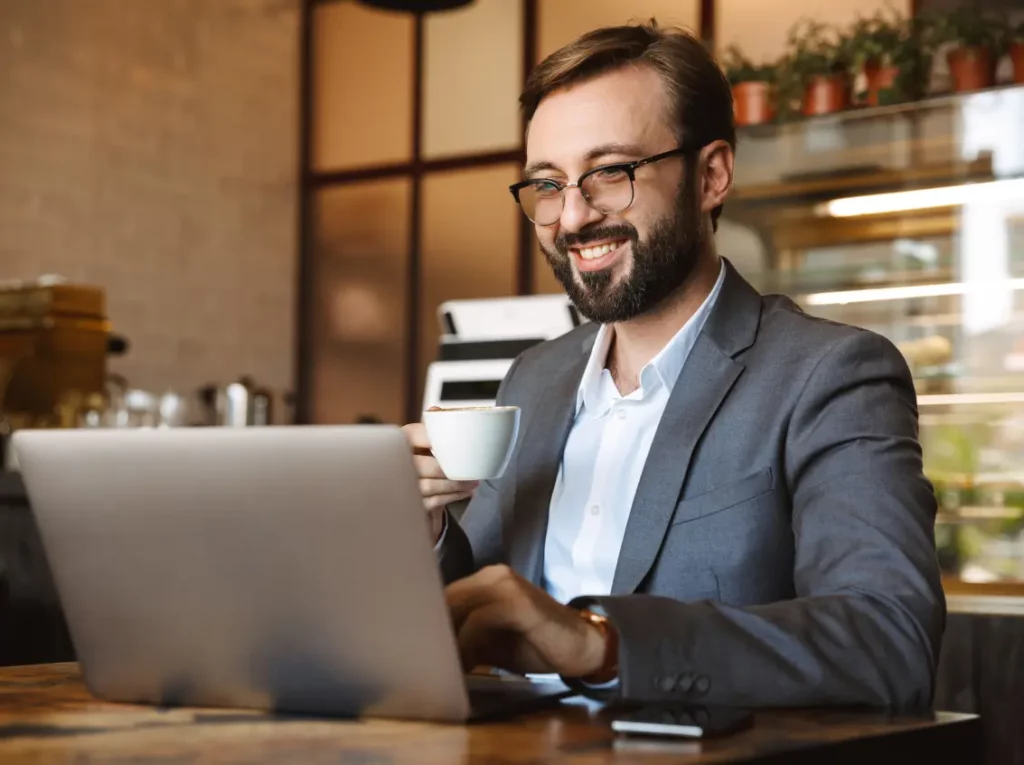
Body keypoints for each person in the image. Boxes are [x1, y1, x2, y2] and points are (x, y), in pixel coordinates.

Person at [403, 20, 944, 709]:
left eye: (609, 173)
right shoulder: (532, 380)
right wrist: (424, 533)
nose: (570, 217)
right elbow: (477, 595)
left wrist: (600, 642)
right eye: (548, 183)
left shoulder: (831, 374)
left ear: (711, 175)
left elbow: (888, 642)